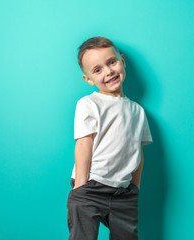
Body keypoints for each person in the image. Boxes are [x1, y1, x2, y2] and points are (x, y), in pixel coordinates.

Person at [67, 36, 153, 240]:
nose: (108, 72)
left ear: (122, 61)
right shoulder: (89, 104)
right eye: (97, 70)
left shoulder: (138, 111)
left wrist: (135, 188)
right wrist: (80, 187)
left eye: (112, 62)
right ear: (88, 79)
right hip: (91, 186)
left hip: (123, 193)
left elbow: (138, 152)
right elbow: (84, 144)